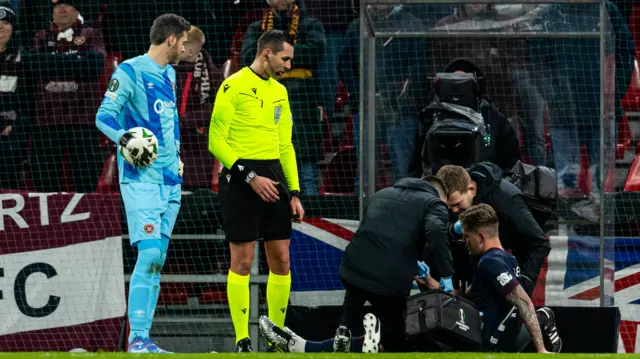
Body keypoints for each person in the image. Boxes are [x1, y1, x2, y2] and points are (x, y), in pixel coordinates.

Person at [260, 175, 454, 353]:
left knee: (354, 298)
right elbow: (436, 232)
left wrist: (412, 258)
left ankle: (341, 333)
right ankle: (373, 341)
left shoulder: (383, 193)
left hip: (353, 267)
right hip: (389, 279)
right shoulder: (434, 203)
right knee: (398, 333)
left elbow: (378, 233)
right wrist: (446, 274)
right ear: (440, 195)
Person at [95, 13, 190, 353]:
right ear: (170, 40)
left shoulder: (169, 73)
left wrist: (176, 154)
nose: (186, 48)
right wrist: (126, 140)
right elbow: (103, 116)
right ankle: (136, 338)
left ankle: (143, 338)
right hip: (141, 180)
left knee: (157, 259)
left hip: (170, 181)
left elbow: (168, 122)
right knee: (148, 253)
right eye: (183, 41)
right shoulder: (130, 71)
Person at [209, 29, 304, 352]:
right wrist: (250, 176)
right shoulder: (232, 85)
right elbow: (215, 141)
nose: (289, 65)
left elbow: (285, 144)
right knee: (242, 261)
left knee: (282, 260)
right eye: (285, 58)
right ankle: (242, 340)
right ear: (266, 53)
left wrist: (294, 191)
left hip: (274, 178)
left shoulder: (280, 91)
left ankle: (278, 338)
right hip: (240, 180)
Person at [454, 204, 561, 353]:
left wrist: (541, 350)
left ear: (480, 237)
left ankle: (542, 317)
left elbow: (524, 302)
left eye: (466, 236)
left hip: (493, 343)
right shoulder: (507, 258)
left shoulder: (491, 262)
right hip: (502, 338)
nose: (464, 241)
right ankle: (542, 317)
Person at [436, 163, 550, 295]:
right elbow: (440, 229)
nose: (454, 211)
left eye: (457, 204)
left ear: (471, 189)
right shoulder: (454, 189)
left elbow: (539, 243)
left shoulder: (506, 199)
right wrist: (452, 230)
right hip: (475, 276)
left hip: (508, 274)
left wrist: (524, 282)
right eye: (450, 207)